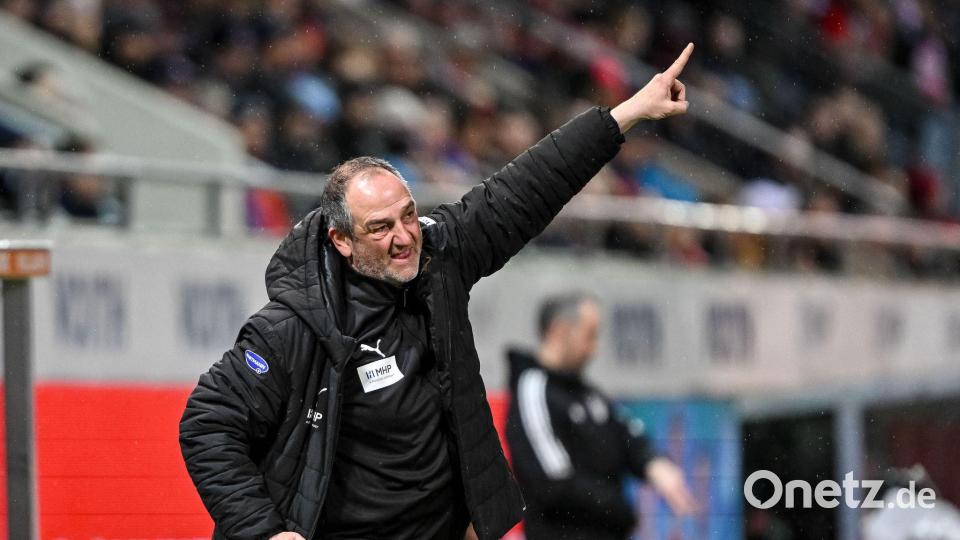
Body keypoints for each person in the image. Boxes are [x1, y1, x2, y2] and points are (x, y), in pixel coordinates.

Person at [179, 44, 696, 540]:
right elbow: (207, 423)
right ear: (340, 240)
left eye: (408, 215)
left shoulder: (440, 256)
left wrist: (624, 115)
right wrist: (264, 531)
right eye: (380, 228)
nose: (404, 237)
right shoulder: (292, 326)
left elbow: (523, 190)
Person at [506, 293, 696, 539]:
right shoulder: (533, 389)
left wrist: (653, 463)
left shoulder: (586, 393)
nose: (594, 349)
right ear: (559, 331)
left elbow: (626, 433)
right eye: (590, 335)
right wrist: (621, 511)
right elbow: (553, 483)